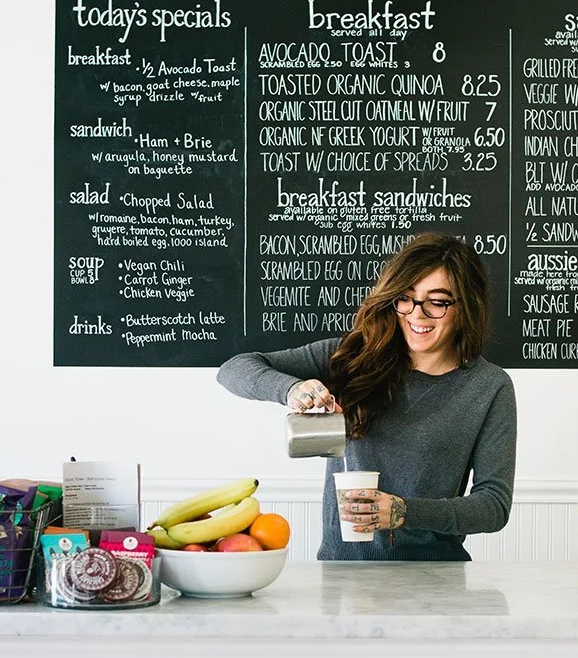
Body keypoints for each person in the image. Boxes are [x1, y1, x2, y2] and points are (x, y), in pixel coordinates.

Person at [217, 232, 517, 561]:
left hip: (435, 579)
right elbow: (233, 369)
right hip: (342, 576)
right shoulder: (350, 357)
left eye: (437, 301)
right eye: (406, 298)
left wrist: (404, 512)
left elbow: (493, 506)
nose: (417, 314)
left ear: (465, 307)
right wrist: (291, 389)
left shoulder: (489, 387)